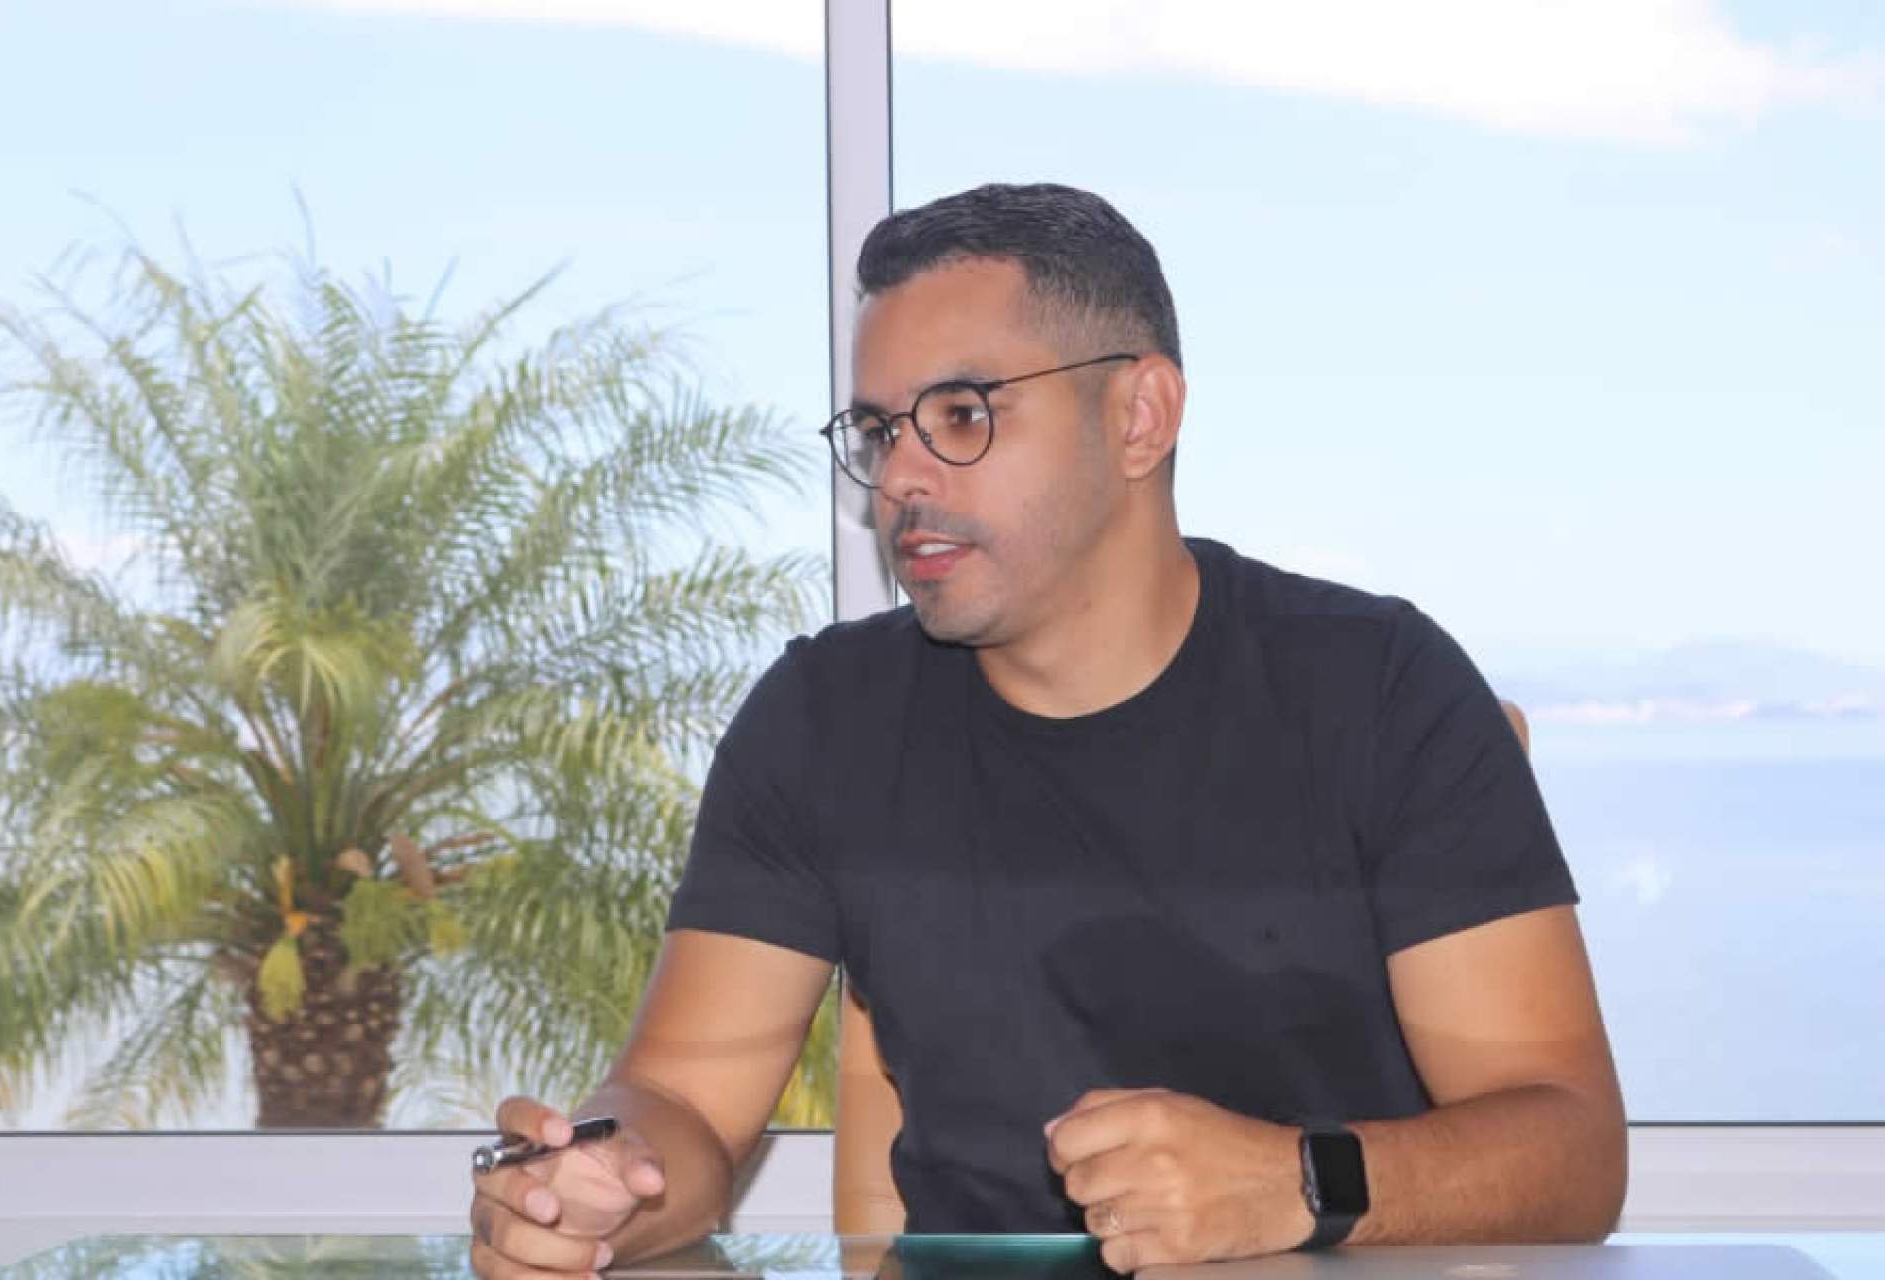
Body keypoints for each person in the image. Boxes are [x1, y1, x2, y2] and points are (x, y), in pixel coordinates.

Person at [467, 182, 1628, 1278]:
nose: (898, 479)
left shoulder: (1380, 688)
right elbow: (683, 1101)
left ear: (1139, 416)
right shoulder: (821, 720)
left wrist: (1298, 1181)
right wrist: (602, 1186)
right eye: (878, 430)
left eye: (961, 415)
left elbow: (1572, 1147)